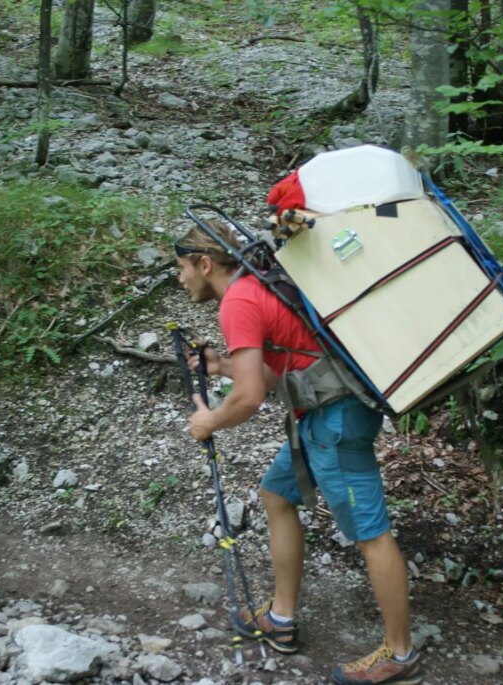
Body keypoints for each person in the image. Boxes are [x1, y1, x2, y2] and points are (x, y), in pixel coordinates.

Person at [174, 220, 422, 685]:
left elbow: (248, 398)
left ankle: (401, 656)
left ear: (205, 264)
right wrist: (221, 364)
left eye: (182, 268)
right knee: (276, 494)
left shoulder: (239, 302)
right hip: (322, 413)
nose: (181, 278)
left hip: (336, 419)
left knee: (371, 534)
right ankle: (281, 619)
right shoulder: (257, 287)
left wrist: (208, 420)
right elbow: (270, 375)